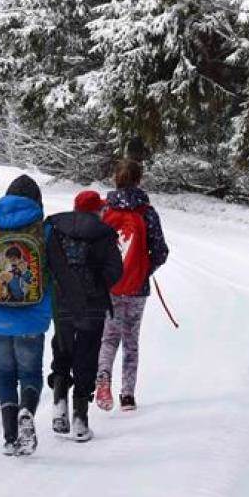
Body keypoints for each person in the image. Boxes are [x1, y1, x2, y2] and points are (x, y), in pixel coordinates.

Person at [0, 175, 93, 456]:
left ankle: (10, 438)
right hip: (32, 319)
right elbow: (63, 274)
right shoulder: (44, 232)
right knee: (30, 373)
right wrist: (79, 308)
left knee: (5, 374)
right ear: (37, 202)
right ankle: (27, 413)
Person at [46, 190, 124, 441]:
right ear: (96, 210)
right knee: (87, 354)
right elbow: (115, 270)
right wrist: (99, 283)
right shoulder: (104, 233)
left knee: (63, 347)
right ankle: (80, 420)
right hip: (92, 304)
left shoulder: (56, 226)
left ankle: (59, 402)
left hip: (63, 299)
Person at [95, 159, 169, 412]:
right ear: (139, 179)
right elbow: (161, 250)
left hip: (109, 286)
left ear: (115, 179)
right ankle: (127, 395)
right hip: (137, 288)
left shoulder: (105, 211)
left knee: (108, 337)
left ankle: (103, 377)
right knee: (131, 340)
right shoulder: (147, 212)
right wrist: (144, 269)